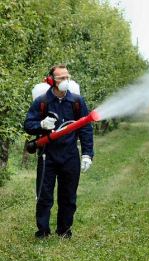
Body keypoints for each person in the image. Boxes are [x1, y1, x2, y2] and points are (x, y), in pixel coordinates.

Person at [24, 64, 94, 239]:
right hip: (48, 155)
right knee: (44, 195)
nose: (65, 81)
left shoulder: (77, 101)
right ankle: (43, 231)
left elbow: (85, 128)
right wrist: (40, 125)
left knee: (68, 196)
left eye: (67, 77)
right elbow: (28, 124)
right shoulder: (42, 102)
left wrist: (87, 154)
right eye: (61, 78)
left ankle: (64, 230)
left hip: (70, 155)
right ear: (52, 81)